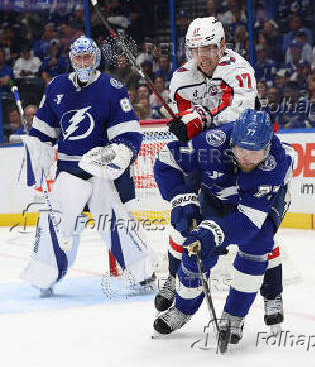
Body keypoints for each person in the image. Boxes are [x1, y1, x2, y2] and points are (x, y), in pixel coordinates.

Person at [155, 18, 284, 333]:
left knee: (262, 237)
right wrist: (183, 128)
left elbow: (237, 118)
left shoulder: (239, 70)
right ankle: (177, 282)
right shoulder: (181, 78)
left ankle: (271, 293)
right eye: (197, 49)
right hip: (210, 156)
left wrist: (197, 120)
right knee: (186, 224)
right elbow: (183, 123)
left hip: (246, 151)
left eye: (210, 47)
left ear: (223, 45)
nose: (204, 55)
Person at [22, 36, 156, 296]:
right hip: (69, 170)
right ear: (72, 59)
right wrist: (37, 149)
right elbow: (44, 131)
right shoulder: (57, 87)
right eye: (79, 57)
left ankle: (144, 272)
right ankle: (44, 276)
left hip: (99, 171)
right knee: (55, 221)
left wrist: (115, 154)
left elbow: (128, 133)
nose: (83, 62)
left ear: (95, 58)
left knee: (115, 221)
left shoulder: (111, 87)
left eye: (88, 57)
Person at [153, 109, 293, 345]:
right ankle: (183, 308)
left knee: (258, 245)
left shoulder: (275, 163)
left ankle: (235, 314)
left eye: (256, 152)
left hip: (259, 204)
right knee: (196, 248)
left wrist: (214, 233)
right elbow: (166, 161)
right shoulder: (210, 144)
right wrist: (183, 198)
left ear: (268, 148)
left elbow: (248, 222)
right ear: (232, 143)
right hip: (217, 196)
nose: (248, 158)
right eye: (242, 150)